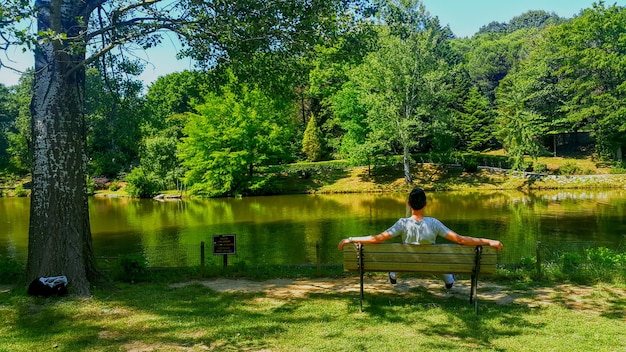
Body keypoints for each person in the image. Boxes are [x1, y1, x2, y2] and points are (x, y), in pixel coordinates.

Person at [337, 187, 503, 288]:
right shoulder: (434, 223)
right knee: (437, 261)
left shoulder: (402, 223)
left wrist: (351, 239)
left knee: (402, 259)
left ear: (408, 204)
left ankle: (393, 275)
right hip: (432, 263)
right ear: (425, 204)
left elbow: (376, 239)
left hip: (406, 262)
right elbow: (461, 240)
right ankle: (449, 281)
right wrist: (489, 241)